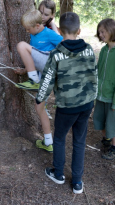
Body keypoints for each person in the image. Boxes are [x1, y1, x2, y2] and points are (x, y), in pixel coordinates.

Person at [35, 12, 97, 194]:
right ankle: (77, 182)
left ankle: (59, 173)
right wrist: (93, 98)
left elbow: (46, 80)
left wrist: (40, 99)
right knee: (79, 141)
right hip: (86, 105)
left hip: (67, 107)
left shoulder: (56, 54)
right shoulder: (89, 50)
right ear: (79, 30)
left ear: (60, 30)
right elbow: (95, 76)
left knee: (60, 138)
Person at [93, 18, 115, 160]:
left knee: (112, 124)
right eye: (99, 32)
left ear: (112, 30)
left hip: (113, 97)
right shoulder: (103, 50)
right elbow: (98, 72)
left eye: (103, 31)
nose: (101, 34)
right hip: (101, 94)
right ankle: (106, 141)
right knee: (101, 120)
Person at [14, 9, 63, 91]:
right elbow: (32, 58)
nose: (27, 31)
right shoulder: (33, 35)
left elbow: (65, 44)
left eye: (28, 29)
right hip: (42, 69)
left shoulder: (49, 33)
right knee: (40, 98)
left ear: (37, 26)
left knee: (21, 45)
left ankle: (34, 80)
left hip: (50, 64)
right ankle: (36, 81)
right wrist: (23, 71)